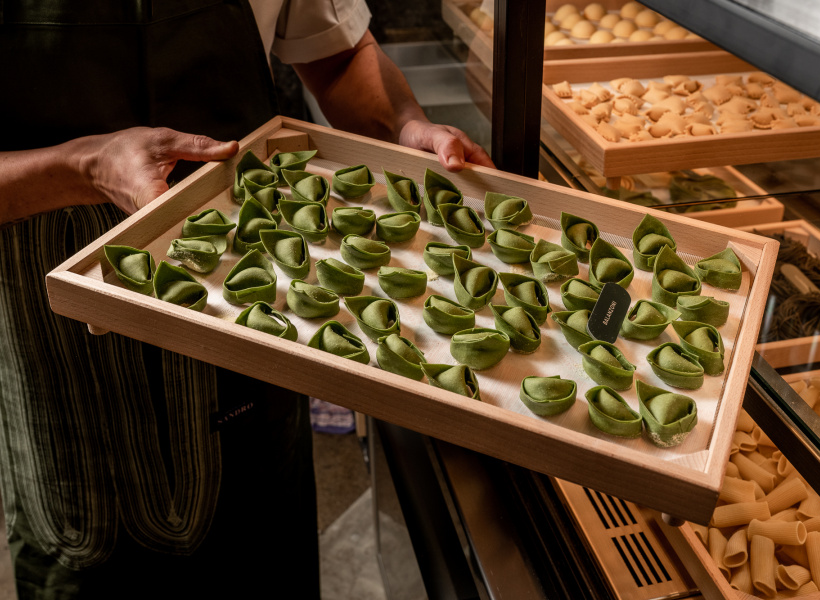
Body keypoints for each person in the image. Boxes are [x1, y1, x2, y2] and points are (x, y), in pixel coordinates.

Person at [0, 0, 492, 597]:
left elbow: (334, 53)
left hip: (255, 311)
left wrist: (400, 125)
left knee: (260, 543)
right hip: (63, 339)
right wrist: (81, 166)